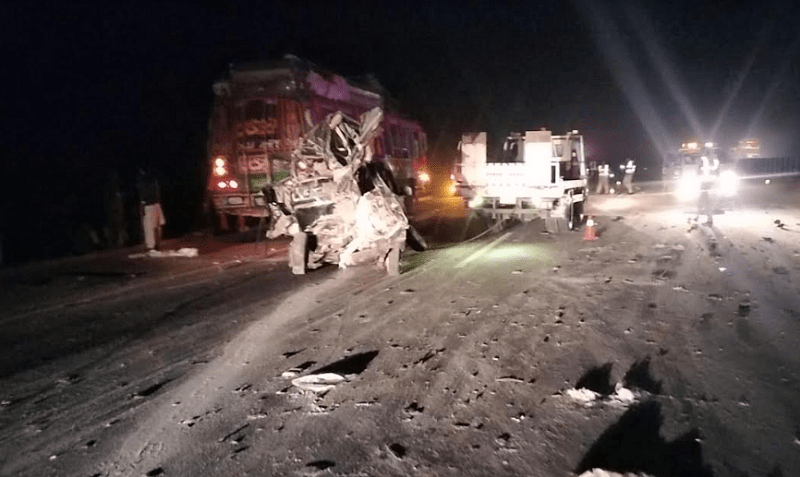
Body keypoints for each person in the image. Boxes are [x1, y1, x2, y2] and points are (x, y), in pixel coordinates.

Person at [136, 169, 165, 250]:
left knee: (149, 227)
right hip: (156, 204)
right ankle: (157, 244)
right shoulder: (154, 180)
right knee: (156, 226)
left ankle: (151, 246)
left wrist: (142, 204)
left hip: (149, 205)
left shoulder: (143, 182)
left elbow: (143, 194)